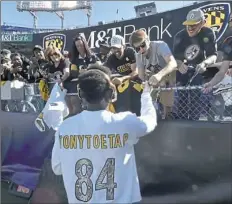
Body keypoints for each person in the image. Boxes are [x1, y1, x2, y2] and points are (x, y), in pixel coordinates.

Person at [51, 65, 157, 204]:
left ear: (81, 95)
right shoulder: (124, 122)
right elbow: (150, 121)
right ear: (110, 94)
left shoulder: (65, 127)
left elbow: (57, 168)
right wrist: (146, 94)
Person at [173, 8, 217, 120]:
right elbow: (175, 58)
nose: (190, 28)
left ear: (203, 22)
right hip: (183, 70)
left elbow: (213, 55)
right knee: (181, 99)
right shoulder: (179, 36)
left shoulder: (208, 33)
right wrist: (179, 64)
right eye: (188, 25)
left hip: (199, 69)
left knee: (195, 98)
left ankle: (194, 121)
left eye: (194, 25)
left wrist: (204, 63)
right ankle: (181, 123)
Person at [130, 29, 177, 118]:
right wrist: (145, 84)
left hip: (166, 76)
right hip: (152, 79)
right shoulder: (138, 55)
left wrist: (159, 76)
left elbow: (173, 63)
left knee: (166, 81)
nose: (141, 50)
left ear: (148, 40)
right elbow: (141, 76)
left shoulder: (160, 45)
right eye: (137, 48)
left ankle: (168, 113)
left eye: (143, 45)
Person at [105, 35, 141, 115]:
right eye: (113, 48)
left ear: (124, 46)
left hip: (139, 79)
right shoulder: (111, 58)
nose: (115, 50)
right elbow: (105, 72)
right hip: (126, 83)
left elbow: (136, 71)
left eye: (118, 48)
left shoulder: (130, 52)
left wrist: (122, 79)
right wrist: (109, 83)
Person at [68, 34, 101, 115]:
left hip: (94, 87)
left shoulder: (93, 57)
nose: (80, 48)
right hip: (81, 88)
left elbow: (100, 68)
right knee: (78, 108)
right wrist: (79, 72)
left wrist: (89, 70)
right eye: (78, 46)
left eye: (81, 45)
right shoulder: (74, 61)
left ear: (85, 45)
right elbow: (72, 73)